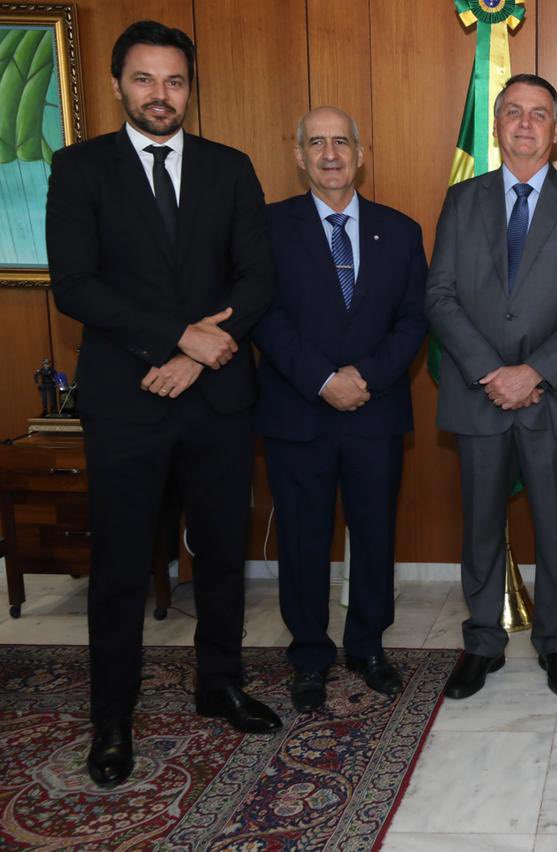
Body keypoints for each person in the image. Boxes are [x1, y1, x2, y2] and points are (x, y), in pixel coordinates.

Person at [46, 20, 279, 788]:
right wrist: (176, 341)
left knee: (220, 555)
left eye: (174, 81)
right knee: (119, 567)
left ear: (191, 87)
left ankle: (219, 684)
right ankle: (112, 721)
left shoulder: (229, 167)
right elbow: (76, 285)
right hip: (128, 400)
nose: (160, 95)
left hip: (216, 399)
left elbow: (256, 279)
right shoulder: (79, 170)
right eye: (144, 79)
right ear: (118, 84)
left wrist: (198, 354)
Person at [426, 74, 557, 699]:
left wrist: (533, 372)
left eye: (539, 114)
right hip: (481, 394)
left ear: (556, 132)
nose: (526, 124)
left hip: (552, 396)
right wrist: (494, 373)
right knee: (479, 525)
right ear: (498, 126)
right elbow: (441, 295)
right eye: (513, 112)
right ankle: (482, 641)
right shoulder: (462, 200)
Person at [253, 107, 428, 713]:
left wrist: (365, 378)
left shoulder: (401, 231)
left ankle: (369, 647)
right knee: (303, 539)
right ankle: (308, 655)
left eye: (342, 142)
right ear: (299, 155)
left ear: (362, 152)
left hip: (374, 411)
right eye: (317, 143)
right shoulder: (267, 228)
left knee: (375, 533)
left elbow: (413, 322)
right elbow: (262, 318)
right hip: (298, 411)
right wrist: (323, 379)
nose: (331, 154)